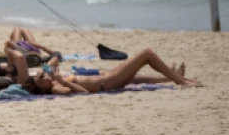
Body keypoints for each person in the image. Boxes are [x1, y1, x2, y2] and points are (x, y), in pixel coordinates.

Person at [23, 49, 200, 95]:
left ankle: (173, 77)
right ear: (43, 87)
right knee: (146, 54)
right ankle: (179, 80)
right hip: (108, 83)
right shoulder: (55, 87)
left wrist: (46, 70)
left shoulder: (53, 78)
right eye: (41, 78)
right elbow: (83, 93)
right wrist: (62, 81)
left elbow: (54, 58)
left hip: (107, 76)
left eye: (41, 74)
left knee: (135, 78)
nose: (43, 75)